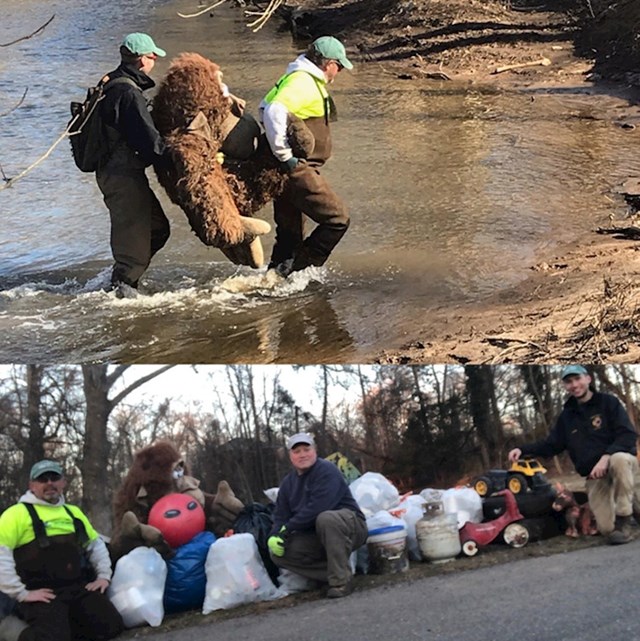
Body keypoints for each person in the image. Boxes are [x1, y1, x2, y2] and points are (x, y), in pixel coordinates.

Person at [508, 365, 640, 545]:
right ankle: (630, 509)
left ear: (588, 379)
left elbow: (628, 435)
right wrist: (522, 450)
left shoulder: (608, 403)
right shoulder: (567, 417)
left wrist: (606, 456)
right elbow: (551, 445)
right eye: (569, 381)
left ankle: (625, 518)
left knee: (618, 459)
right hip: (596, 478)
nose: (574, 384)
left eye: (577, 379)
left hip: (622, 465)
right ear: (565, 386)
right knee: (608, 530)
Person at [259, 36, 352, 277]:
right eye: (339, 66)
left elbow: (263, 105)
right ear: (328, 63)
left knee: (289, 235)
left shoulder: (296, 77)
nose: (339, 71)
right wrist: (285, 156)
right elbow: (273, 110)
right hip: (297, 170)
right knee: (337, 219)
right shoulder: (303, 82)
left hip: (282, 171)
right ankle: (303, 273)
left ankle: (276, 280)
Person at [0, 460, 124, 641]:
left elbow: (96, 546)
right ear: (32, 485)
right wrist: (21, 593)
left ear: (63, 483)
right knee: (52, 637)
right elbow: (1, 556)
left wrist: (103, 576)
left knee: (111, 625)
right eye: (43, 479)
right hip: (39, 594)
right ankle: (8, 629)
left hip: (75, 588)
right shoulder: (15, 515)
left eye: (54, 478)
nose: (49, 483)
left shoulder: (74, 513)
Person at [96, 33, 171, 296]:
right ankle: (123, 290)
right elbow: (152, 145)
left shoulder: (110, 81)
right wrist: (182, 158)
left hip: (116, 173)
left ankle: (121, 280)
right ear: (142, 59)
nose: (154, 62)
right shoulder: (128, 93)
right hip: (122, 177)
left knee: (159, 229)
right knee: (133, 253)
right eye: (152, 57)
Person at [267, 432, 367, 598]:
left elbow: (319, 507)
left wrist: (288, 527)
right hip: (316, 535)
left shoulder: (327, 470)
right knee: (278, 552)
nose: (302, 455)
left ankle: (341, 582)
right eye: (296, 451)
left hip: (350, 527)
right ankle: (332, 574)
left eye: (306, 449)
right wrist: (275, 534)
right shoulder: (287, 484)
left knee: (326, 518)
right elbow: (280, 516)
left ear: (315, 450)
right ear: (290, 456)